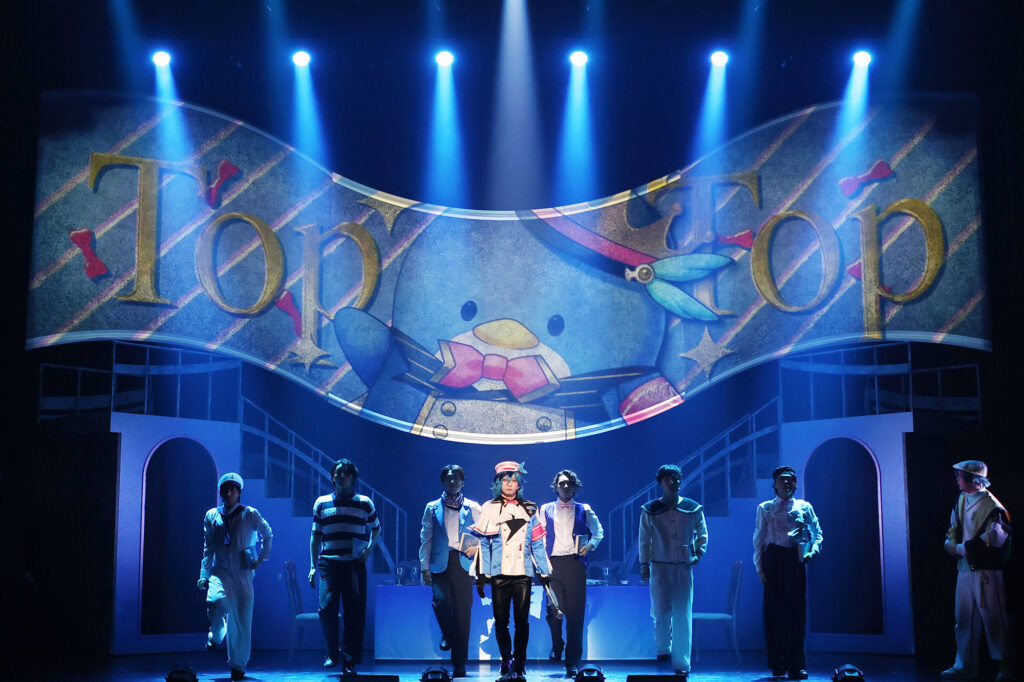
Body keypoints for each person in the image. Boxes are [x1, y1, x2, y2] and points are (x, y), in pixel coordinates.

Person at [473, 461, 552, 682]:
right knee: (500, 621)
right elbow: (484, 544)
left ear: (519, 484)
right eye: (505, 480)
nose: (509, 483)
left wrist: (544, 571)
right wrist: (483, 574)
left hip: (522, 572)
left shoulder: (530, 508)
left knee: (522, 621)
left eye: (514, 480)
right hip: (499, 572)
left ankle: (519, 661)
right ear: (498, 483)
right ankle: (506, 659)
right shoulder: (489, 507)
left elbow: (537, 544)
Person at [941, 460, 1014, 681]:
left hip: (986, 572)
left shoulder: (993, 507)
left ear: (974, 480)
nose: (957, 480)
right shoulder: (961, 498)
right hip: (964, 569)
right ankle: (963, 665)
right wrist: (951, 542)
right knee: (963, 618)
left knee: (993, 619)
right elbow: (954, 525)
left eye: (960, 476)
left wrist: (959, 548)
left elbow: (994, 540)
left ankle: (1006, 666)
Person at [197, 472, 273, 681]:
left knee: (241, 619)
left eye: (233, 489)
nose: (229, 493)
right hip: (220, 570)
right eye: (225, 489)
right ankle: (216, 634)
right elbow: (208, 547)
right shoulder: (212, 515)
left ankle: (237, 665)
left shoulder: (249, 514)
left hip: (242, 572)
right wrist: (204, 573)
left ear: (239, 492)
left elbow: (267, 533)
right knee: (216, 602)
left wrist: (261, 558)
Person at [309, 458, 381, 674]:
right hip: (328, 563)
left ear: (352, 477)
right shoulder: (321, 503)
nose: (341, 476)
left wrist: (368, 549)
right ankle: (333, 652)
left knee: (354, 611)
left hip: (354, 564)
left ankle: (349, 660)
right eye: (338, 473)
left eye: (346, 473)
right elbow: (315, 535)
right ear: (332, 477)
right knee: (326, 607)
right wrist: (312, 565)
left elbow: (376, 528)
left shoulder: (364, 503)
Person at [752, 465, 823, 680]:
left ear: (795, 484)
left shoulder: (804, 507)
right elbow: (759, 539)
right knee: (773, 613)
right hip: (773, 558)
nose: (786, 483)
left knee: (796, 613)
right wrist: (760, 568)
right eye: (782, 479)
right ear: (774, 485)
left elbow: (817, 533)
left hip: (794, 558)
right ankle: (777, 663)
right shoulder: (765, 508)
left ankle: (796, 664)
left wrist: (813, 550)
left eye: (790, 479)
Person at [638, 464, 708, 680]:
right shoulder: (650, 509)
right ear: (660, 482)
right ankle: (662, 648)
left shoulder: (692, 508)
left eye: (676, 478)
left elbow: (702, 535)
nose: (673, 482)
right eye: (668, 478)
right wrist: (644, 564)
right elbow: (644, 539)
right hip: (659, 567)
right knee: (660, 611)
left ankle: (682, 663)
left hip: (682, 568)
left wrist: (697, 554)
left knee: (682, 615)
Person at [539, 470, 604, 678]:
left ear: (575, 487)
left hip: (575, 565)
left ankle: (572, 663)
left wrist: (590, 546)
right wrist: (542, 564)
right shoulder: (545, 508)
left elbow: (599, 532)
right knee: (553, 611)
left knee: (575, 617)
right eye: (562, 483)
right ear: (556, 487)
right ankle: (557, 643)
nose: (565, 486)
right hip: (553, 564)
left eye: (569, 483)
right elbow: (540, 537)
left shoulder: (584, 508)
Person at [420, 464, 483, 678]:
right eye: (449, 478)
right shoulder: (431, 507)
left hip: (464, 561)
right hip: (440, 562)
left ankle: (459, 664)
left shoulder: (473, 507)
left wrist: (477, 549)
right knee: (440, 601)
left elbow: (484, 534)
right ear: (443, 482)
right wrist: (424, 567)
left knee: (463, 613)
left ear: (463, 482)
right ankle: (447, 634)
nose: (453, 481)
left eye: (456, 478)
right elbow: (426, 538)